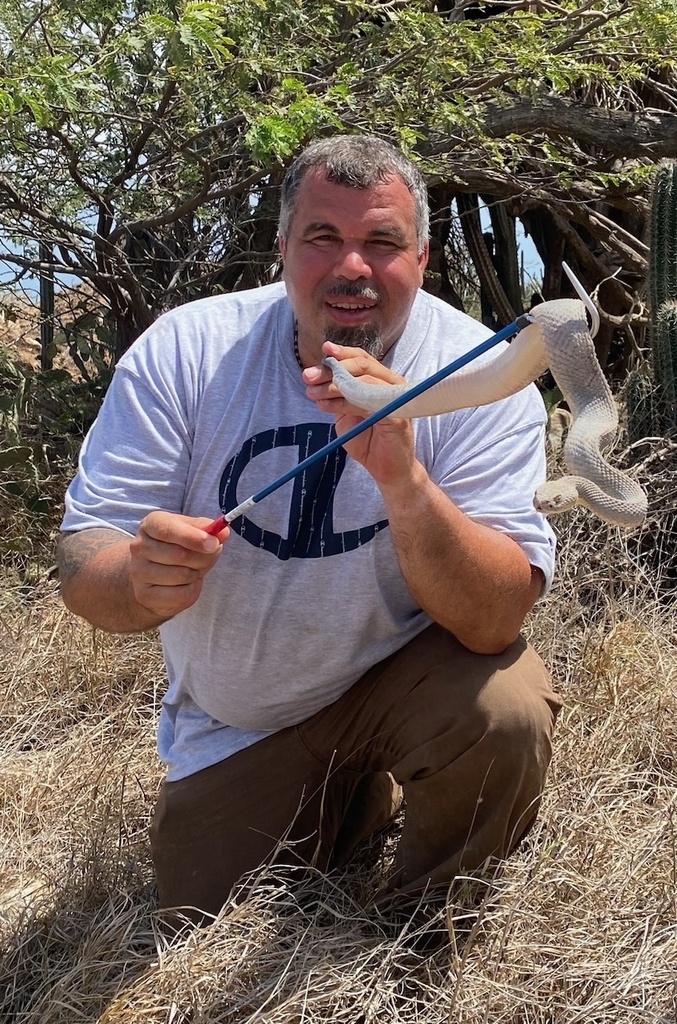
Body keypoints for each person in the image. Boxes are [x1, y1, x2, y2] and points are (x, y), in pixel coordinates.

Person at [57, 135, 562, 923]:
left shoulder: (478, 376)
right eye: (323, 238)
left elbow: (493, 618)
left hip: (405, 678)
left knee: (505, 709)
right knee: (196, 918)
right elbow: (85, 561)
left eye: (381, 242)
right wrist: (135, 577)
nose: (351, 266)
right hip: (240, 721)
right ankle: (354, 799)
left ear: (422, 257)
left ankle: (421, 936)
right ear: (284, 248)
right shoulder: (187, 349)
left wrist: (403, 476)